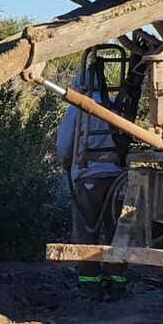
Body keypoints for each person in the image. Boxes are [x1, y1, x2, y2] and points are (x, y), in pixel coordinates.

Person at [56, 64, 127, 298]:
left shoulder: (79, 108)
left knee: (87, 233)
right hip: (116, 179)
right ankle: (117, 283)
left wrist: (66, 163)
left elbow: (64, 145)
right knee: (116, 232)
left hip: (88, 179)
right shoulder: (115, 106)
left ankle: (90, 285)